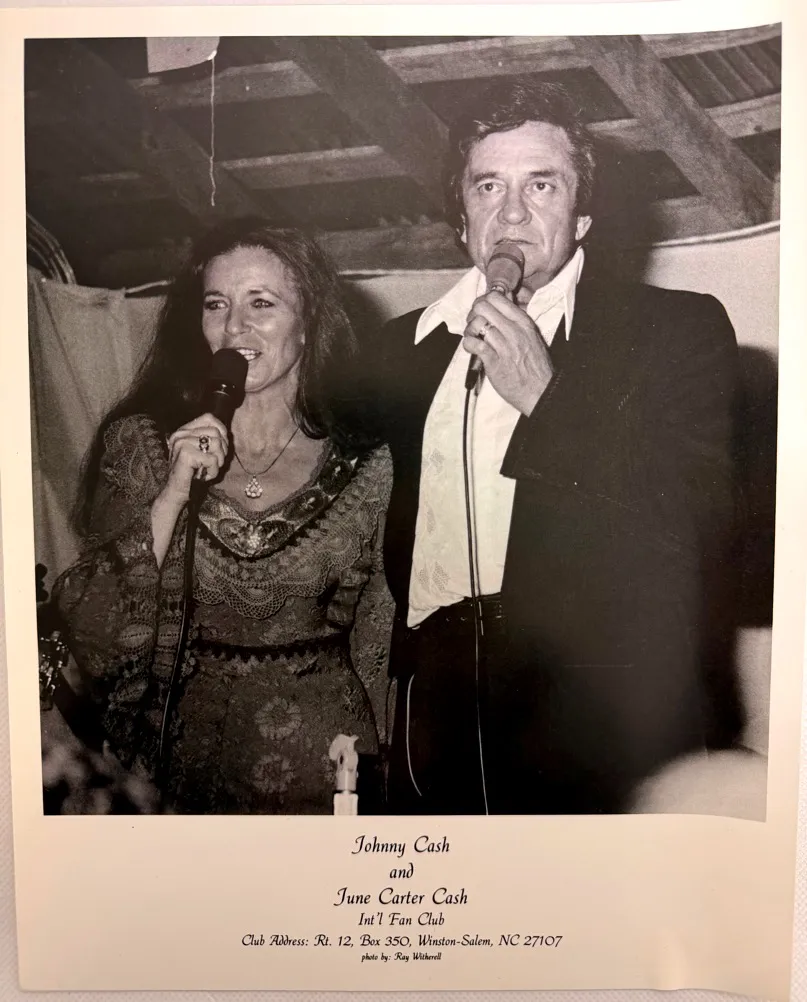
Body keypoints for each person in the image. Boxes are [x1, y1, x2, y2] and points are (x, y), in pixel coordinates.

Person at [355, 78, 743, 815]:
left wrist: (547, 398)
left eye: (541, 185)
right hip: (436, 710)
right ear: (461, 215)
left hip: (593, 715)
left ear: (582, 215)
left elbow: (704, 525)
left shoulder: (675, 330)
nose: (511, 213)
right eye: (487, 186)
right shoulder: (399, 347)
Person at [49, 219, 392, 815]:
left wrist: (375, 764)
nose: (235, 327)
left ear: (308, 323)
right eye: (216, 304)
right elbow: (89, 624)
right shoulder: (143, 445)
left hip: (321, 766)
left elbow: (378, 636)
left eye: (262, 303)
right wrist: (172, 494)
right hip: (176, 768)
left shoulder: (370, 462)